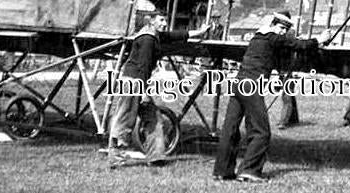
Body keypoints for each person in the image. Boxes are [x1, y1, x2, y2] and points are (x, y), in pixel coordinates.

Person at [213, 11, 330, 183]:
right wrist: (319, 39)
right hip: (252, 86)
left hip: (238, 84)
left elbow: (280, 50)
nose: (283, 32)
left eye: (285, 29)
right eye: (281, 27)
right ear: (273, 25)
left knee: (230, 128)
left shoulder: (257, 37)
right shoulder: (273, 37)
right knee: (262, 132)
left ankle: (222, 171)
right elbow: (299, 45)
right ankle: (249, 170)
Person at [108, 9, 209, 166]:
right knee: (125, 119)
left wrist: (200, 32)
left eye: (165, 20)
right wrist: (143, 93)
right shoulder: (148, 39)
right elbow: (143, 66)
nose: (164, 23)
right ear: (152, 21)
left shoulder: (153, 34)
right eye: (161, 20)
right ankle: (115, 157)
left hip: (138, 81)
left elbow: (173, 35)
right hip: (134, 82)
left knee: (154, 119)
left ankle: (156, 157)